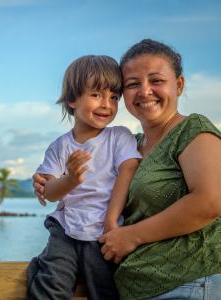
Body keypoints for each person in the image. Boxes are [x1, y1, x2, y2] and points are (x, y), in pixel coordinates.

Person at [33, 39, 221, 299]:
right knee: (43, 273)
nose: (144, 91)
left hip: (189, 285)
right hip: (137, 287)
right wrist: (55, 183)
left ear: (178, 85)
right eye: (133, 84)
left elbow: (209, 202)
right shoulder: (134, 144)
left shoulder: (192, 129)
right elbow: (72, 186)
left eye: (156, 80)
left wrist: (130, 236)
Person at [26, 55, 141, 300]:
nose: (107, 105)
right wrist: (70, 180)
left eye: (114, 97)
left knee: (105, 288)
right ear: (71, 99)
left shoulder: (118, 137)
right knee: (51, 283)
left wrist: (111, 221)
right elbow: (49, 192)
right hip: (65, 230)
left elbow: (128, 172)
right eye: (96, 95)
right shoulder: (59, 147)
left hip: (104, 231)